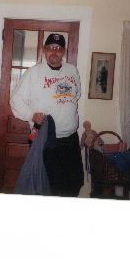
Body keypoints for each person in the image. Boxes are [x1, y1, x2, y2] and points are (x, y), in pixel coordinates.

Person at [10, 33, 84, 197]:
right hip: (42, 137)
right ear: (44, 50)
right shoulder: (33, 73)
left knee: (73, 182)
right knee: (45, 185)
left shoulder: (72, 71)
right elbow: (15, 100)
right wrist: (31, 115)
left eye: (58, 48)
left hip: (70, 138)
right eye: (50, 48)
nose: (54, 52)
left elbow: (76, 95)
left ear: (63, 51)